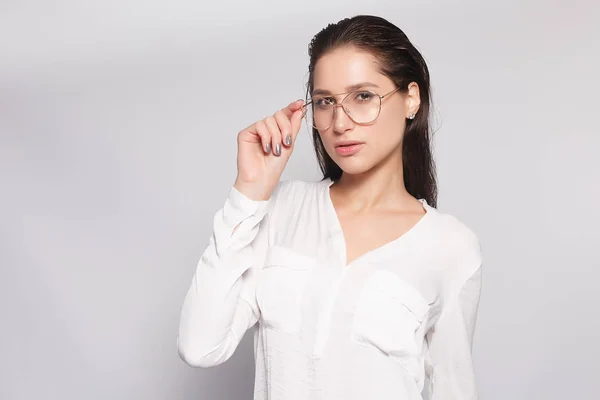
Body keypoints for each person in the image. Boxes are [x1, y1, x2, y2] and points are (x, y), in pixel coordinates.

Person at [177, 14, 483, 400]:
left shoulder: (451, 246)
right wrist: (249, 191)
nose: (340, 122)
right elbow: (199, 346)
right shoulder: (281, 209)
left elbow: (455, 390)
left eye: (363, 96)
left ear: (411, 99)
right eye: (325, 102)